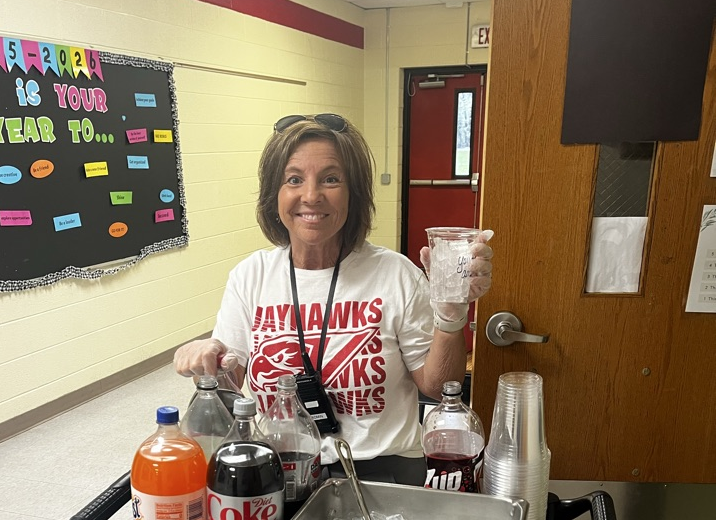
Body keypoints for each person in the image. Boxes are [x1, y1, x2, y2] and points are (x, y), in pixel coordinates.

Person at [174, 113, 492, 485]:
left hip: (382, 471)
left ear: (353, 192)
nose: (311, 196)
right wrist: (208, 361)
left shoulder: (396, 275)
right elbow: (232, 385)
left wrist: (451, 312)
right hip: (283, 471)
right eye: (294, 179)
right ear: (274, 194)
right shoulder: (251, 277)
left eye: (330, 179)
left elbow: (439, 388)